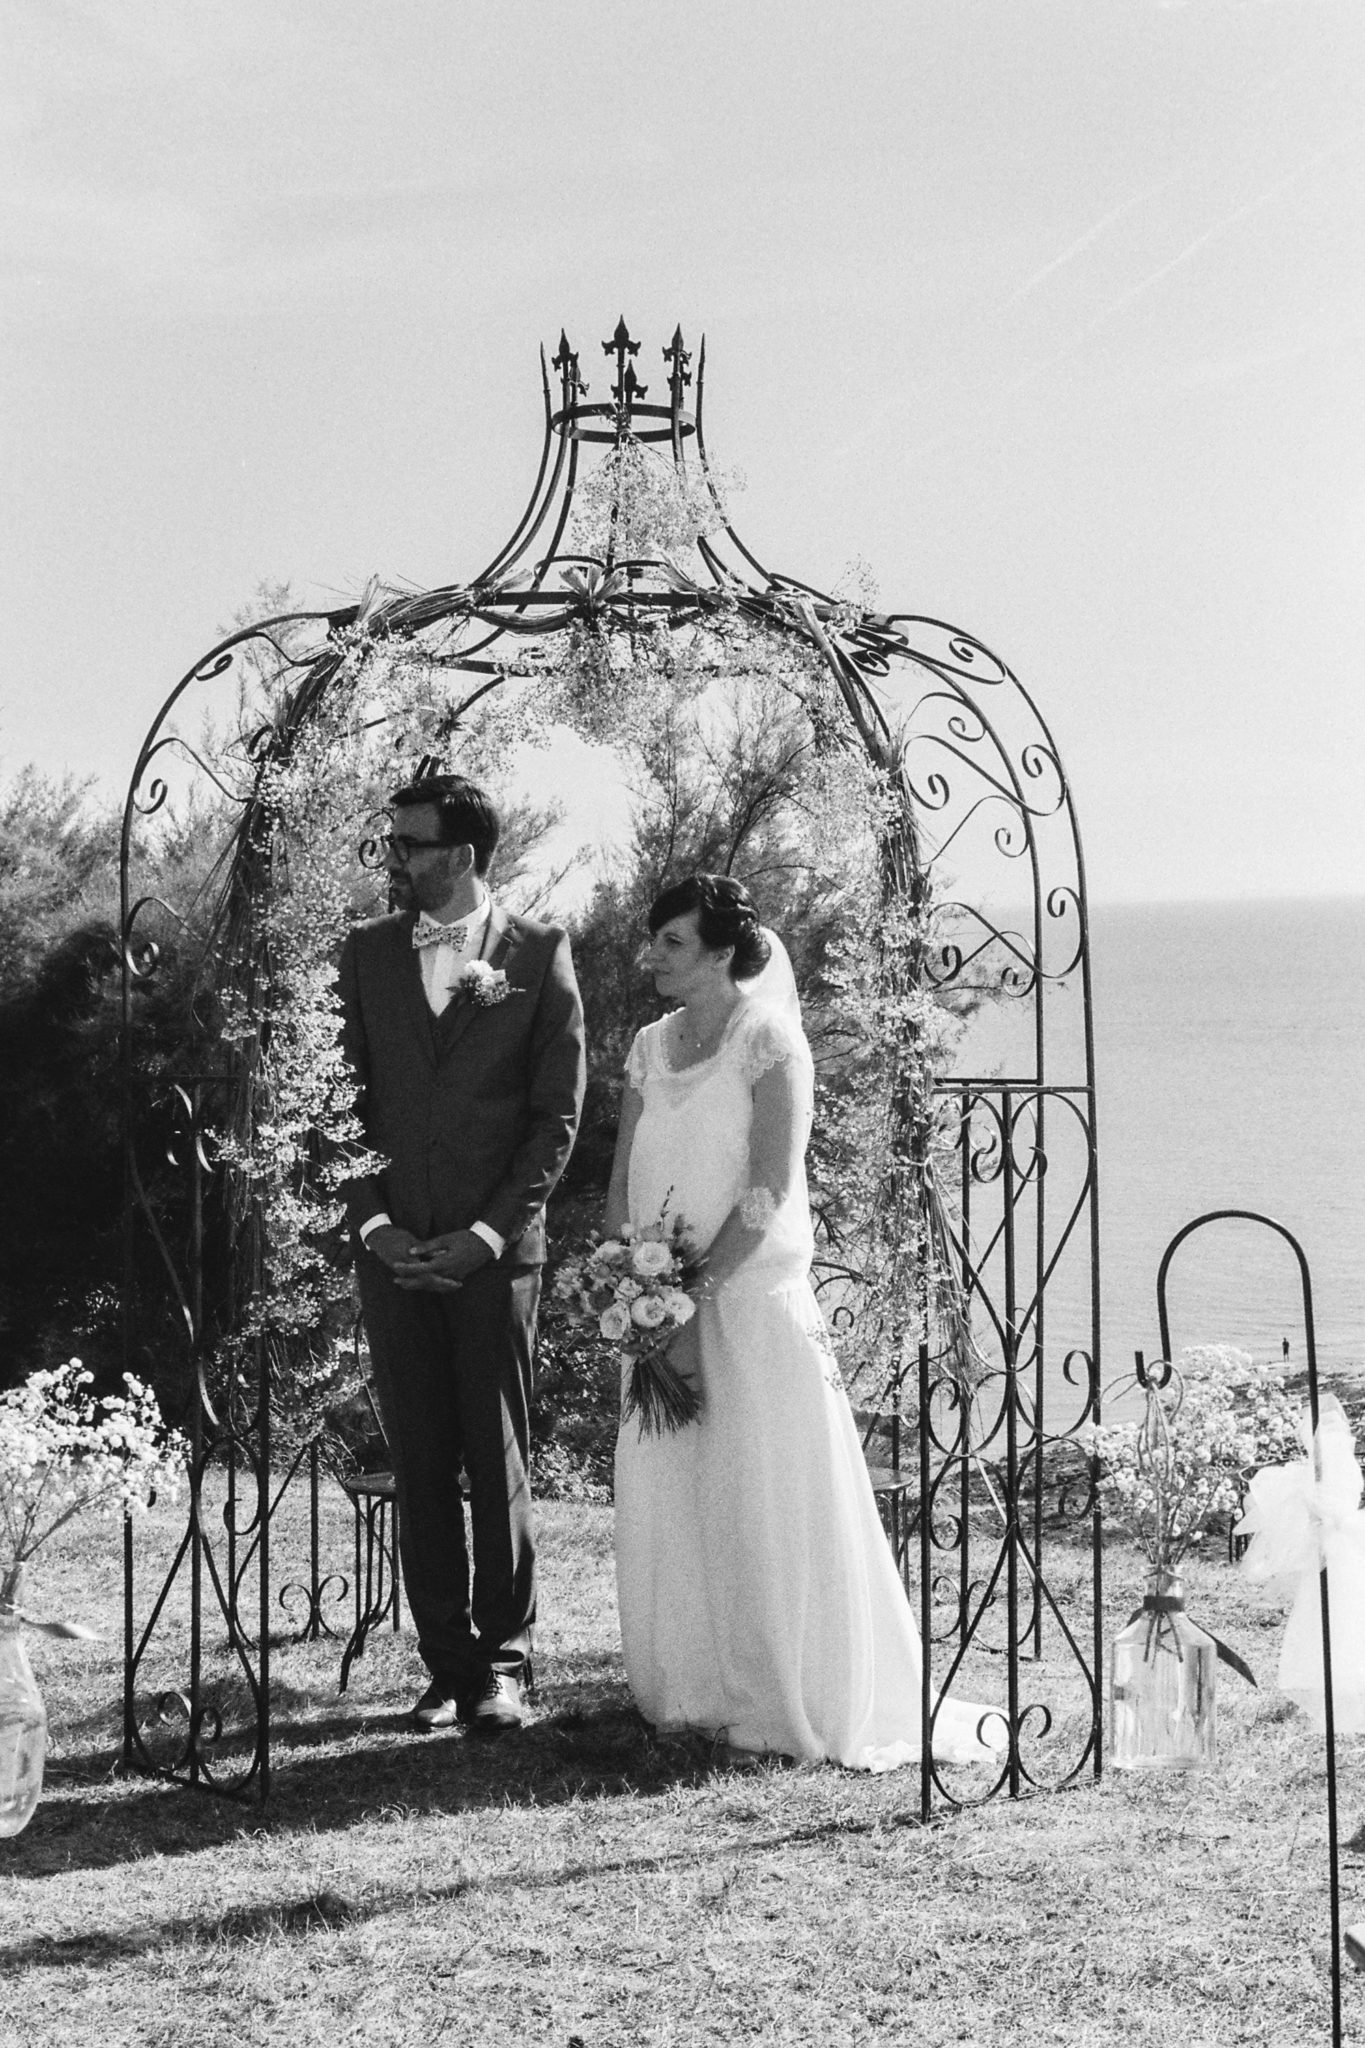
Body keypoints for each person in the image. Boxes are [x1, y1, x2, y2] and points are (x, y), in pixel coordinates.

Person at [605, 873, 1000, 1770]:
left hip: (747, 1306)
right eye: (653, 940)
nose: (652, 957)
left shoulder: (768, 1040)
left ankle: (788, 1685)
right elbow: (623, 1175)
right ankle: (694, 1685)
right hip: (655, 1308)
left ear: (717, 950)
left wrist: (693, 1290)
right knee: (678, 1492)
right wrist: (629, 1281)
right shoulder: (645, 1047)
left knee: (766, 1491)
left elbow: (768, 1188)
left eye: (670, 942)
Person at [339, 773, 585, 1733]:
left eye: (411, 843)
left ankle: (504, 1666)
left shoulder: (541, 955)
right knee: (420, 1458)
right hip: (393, 1255)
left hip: (494, 1260)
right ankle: (446, 1666)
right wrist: (377, 1227)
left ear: (464, 854)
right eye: (395, 840)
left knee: (497, 1455)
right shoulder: (362, 957)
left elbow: (553, 1120)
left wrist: (485, 1238)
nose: (395, 858)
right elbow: (333, 1112)